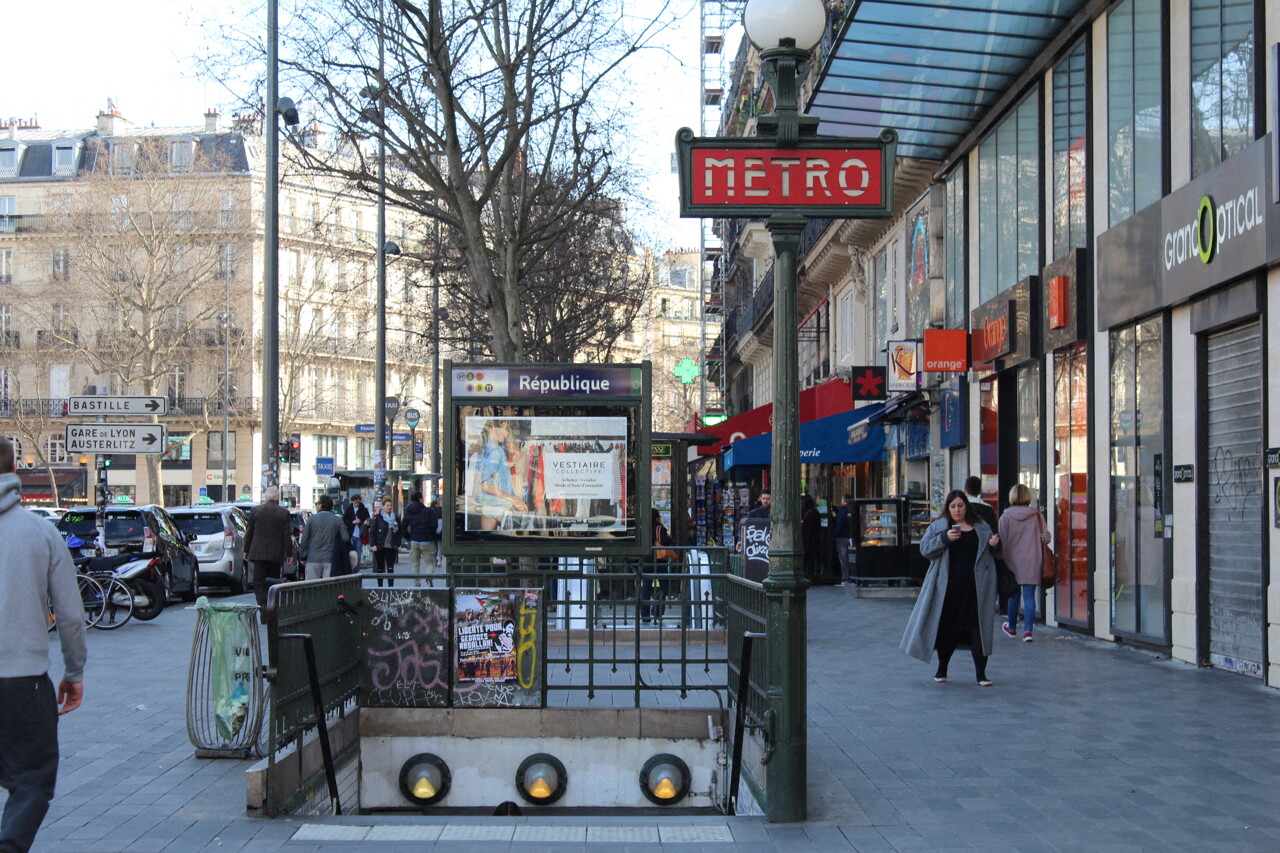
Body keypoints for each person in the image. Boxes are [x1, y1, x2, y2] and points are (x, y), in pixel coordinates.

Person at [0, 435, 87, 853]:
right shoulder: (41, 532)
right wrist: (74, 672)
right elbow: (70, 615)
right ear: (15, 471)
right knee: (31, 780)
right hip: (23, 682)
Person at [901, 489, 1001, 686]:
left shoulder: (981, 527)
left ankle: (981, 674)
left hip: (977, 588)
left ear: (967, 507)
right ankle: (942, 669)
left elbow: (997, 554)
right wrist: (945, 539)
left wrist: (995, 545)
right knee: (948, 628)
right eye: (953, 506)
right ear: (948, 508)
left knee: (978, 629)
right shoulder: (940, 526)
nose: (957, 510)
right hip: (947, 588)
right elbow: (925, 549)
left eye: (961, 506)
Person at [998, 483, 1051, 642]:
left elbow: (1002, 540)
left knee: (1013, 595)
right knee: (1029, 596)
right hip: (1033, 559)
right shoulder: (1037, 516)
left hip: (1012, 561)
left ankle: (1012, 627)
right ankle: (1028, 631)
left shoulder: (1005, 517)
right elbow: (1047, 538)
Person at [244, 486, 296, 611]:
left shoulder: (255, 511)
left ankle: (263, 606)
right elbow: (286, 535)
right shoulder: (284, 513)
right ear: (277, 499)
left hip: (258, 553)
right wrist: (289, 554)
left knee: (259, 581)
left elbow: (249, 532)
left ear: (266, 498)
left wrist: (246, 550)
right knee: (272, 581)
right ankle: (271, 607)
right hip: (275, 554)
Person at [477, 419, 526, 530]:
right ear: (494, 427)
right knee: (509, 543)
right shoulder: (495, 451)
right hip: (498, 505)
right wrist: (514, 499)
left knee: (487, 543)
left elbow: (491, 472)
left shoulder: (488, 449)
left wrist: (510, 464)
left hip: (489, 503)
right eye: (505, 429)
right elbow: (485, 485)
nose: (507, 433)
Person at [298, 495, 344, 580]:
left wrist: (303, 556)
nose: (316, 505)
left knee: (312, 587)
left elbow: (305, 539)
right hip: (330, 558)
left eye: (317, 503)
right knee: (329, 587)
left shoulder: (311, 519)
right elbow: (345, 538)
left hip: (313, 558)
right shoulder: (337, 520)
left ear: (321, 505)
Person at [641, 508, 674, 623]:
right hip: (659, 560)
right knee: (664, 585)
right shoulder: (659, 528)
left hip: (646, 559)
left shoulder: (643, 528)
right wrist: (669, 539)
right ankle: (657, 611)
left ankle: (645, 615)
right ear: (656, 518)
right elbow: (665, 541)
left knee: (646, 585)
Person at [402, 492, 438, 587]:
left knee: (415, 563)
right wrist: (431, 535)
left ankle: (416, 583)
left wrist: (409, 537)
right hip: (426, 540)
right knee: (429, 562)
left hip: (414, 540)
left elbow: (403, 527)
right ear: (420, 499)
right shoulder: (428, 511)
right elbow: (435, 525)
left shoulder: (408, 512)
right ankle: (429, 577)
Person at [370, 498, 403, 588]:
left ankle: (390, 587)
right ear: (383, 506)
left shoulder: (395, 518)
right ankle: (380, 586)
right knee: (380, 568)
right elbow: (372, 532)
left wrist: (397, 543)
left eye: (390, 505)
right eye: (387, 505)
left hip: (391, 546)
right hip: (380, 546)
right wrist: (373, 545)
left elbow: (399, 532)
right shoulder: (378, 518)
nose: (389, 507)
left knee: (390, 567)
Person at [342, 492, 371, 566]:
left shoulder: (363, 509)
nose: (357, 504)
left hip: (360, 535)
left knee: (358, 554)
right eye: (355, 503)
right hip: (351, 534)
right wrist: (353, 522)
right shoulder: (349, 509)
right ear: (352, 502)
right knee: (351, 554)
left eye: (358, 502)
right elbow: (344, 520)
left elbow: (368, 519)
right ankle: (351, 571)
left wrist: (364, 521)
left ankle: (356, 571)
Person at [833, 494, 856, 586]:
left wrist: (834, 534)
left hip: (842, 537)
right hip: (851, 537)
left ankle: (845, 578)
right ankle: (853, 577)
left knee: (843, 559)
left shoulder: (842, 511)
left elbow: (840, 524)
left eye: (842, 499)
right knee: (851, 558)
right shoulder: (853, 510)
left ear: (845, 501)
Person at [800, 495, 822, 581]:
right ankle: (812, 575)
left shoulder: (802, 512)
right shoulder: (815, 512)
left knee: (804, 558)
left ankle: (804, 574)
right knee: (812, 559)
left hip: (804, 538)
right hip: (813, 539)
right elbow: (818, 527)